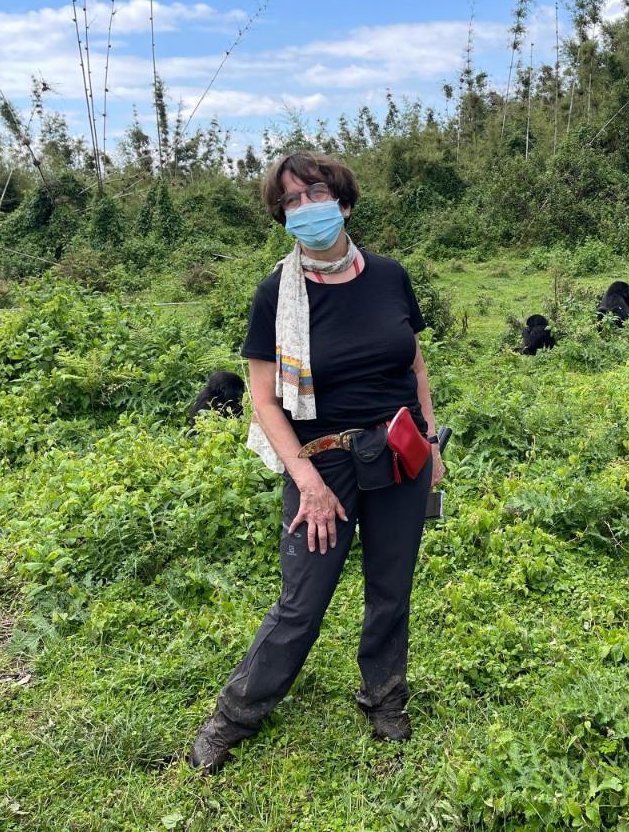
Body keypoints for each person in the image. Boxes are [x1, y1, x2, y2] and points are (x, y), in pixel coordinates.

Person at [189, 152, 445, 774]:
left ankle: (384, 696)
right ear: (281, 216)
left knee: (391, 588)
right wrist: (307, 482)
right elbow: (263, 399)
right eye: (292, 202)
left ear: (345, 201)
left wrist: (431, 445)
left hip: (397, 454)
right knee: (302, 601)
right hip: (321, 464)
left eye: (316, 194)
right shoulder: (276, 295)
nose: (306, 209)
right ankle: (234, 716)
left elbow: (413, 366)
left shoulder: (390, 277)